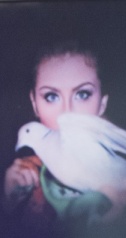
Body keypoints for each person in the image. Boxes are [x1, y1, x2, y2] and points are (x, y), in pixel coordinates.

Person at [4, 42, 111, 226]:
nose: (67, 114)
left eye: (82, 94)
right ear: (34, 104)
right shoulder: (27, 176)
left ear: (102, 104)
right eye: (52, 97)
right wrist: (7, 201)